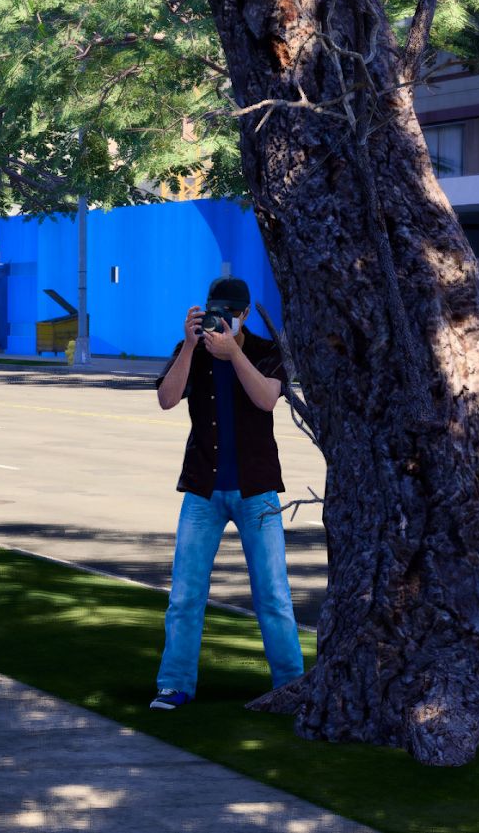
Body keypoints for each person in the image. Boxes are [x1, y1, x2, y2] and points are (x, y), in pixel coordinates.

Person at [149, 276, 304, 711]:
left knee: (273, 593)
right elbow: (166, 398)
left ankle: (290, 686)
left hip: (258, 489)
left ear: (245, 314)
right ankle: (175, 684)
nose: (221, 321)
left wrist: (234, 353)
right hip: (202, 488)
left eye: (229, 314)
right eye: (214, 311)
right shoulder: (192, 352)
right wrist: (187, 346)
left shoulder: (263, 351)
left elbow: (267, 399)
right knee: (185, 594)